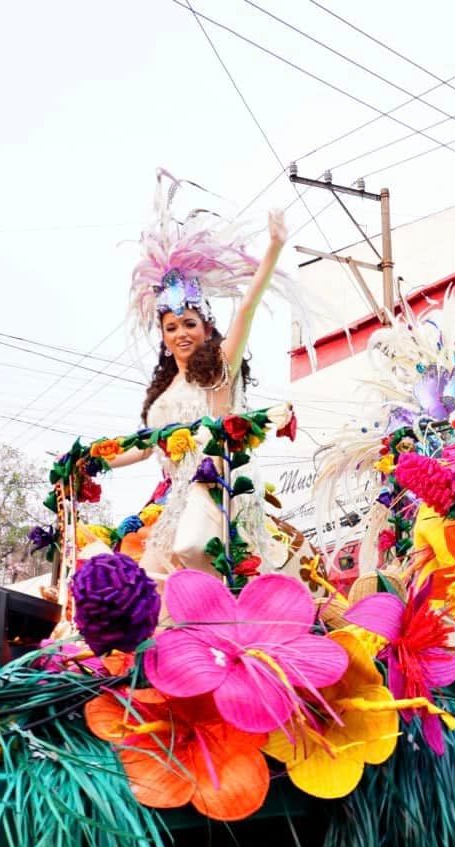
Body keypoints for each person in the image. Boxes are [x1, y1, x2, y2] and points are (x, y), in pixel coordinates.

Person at [110, 177, 289, 580]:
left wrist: (274, 247)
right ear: (163, 336)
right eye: (171, 327)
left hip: (217, 486)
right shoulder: (162, 394)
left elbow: (247, 308)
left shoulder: (219, 371)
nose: (181, 334)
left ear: (207, 328)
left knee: (191, 546)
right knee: (148, 582)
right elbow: (142, 447)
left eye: (190, 324)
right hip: (175, 499)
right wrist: (89, 461)